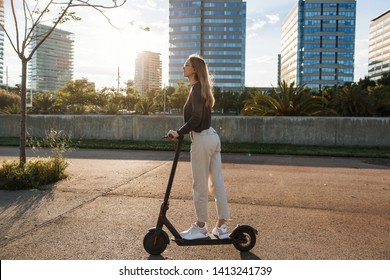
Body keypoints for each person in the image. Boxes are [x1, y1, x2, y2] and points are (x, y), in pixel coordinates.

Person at [167, 54, 230, 240]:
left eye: (186, 65)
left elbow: (195, 118)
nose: (183, 67)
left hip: (202, 139)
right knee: (217, 182)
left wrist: (179, 132)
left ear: (194, 69)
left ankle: (201, 227)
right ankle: (222, 226)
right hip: (212, 137)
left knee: (200, 184)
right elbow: (199, 118)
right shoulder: (203, 89)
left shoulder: (196, 89)